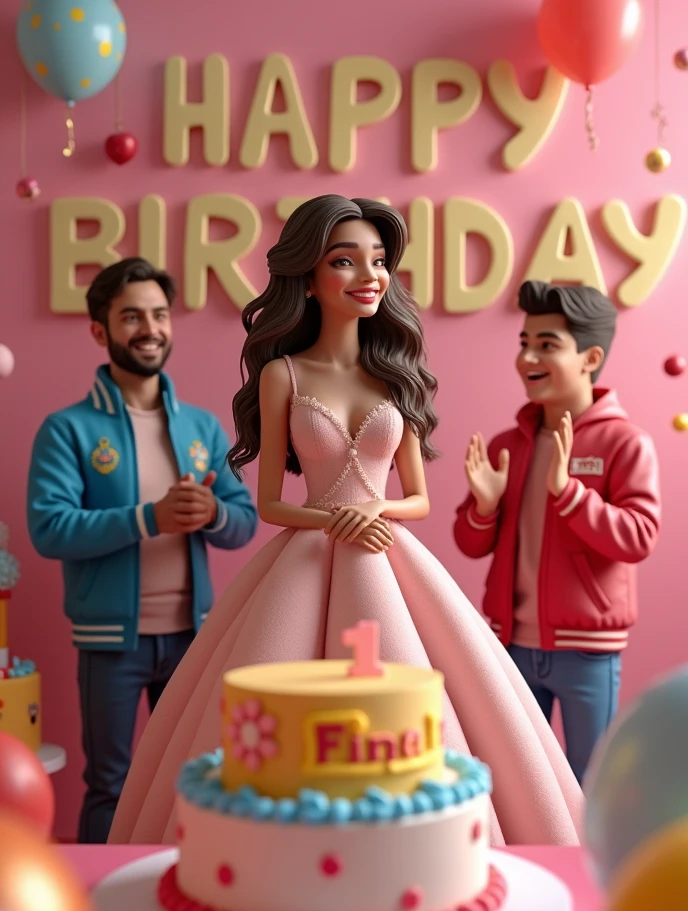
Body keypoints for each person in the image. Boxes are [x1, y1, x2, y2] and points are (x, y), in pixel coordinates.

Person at [108, 197, 583, 847]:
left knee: (428, 714)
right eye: (345, 260)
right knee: (265, 716)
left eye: (380, 261)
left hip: (391, 558)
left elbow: (416, 497)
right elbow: (271, 501)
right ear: (308, 278)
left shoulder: (395, 378)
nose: (369, 275)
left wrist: (375, 511)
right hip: (301, 563)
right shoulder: (282, 376)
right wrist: (334, 520)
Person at [27, 257, 258, 843]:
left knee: (192, 780)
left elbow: (244, 524)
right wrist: (147, 517)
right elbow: (49, 528)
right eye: (132, 316)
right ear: (100, 331)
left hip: (191, 636)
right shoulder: (68, 429)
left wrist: (212, 514)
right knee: (111, 782)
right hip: (110, 642)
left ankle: (186, 897)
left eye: (158, 314)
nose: (149, 328)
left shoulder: (202, 428)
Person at [454, 280, 661, 784]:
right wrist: (484, 505)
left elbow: (638, 536)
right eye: (525, 343)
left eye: (547, 345)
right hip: (512, 645)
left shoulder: (624, 443)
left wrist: (569, 493)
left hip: (587, 647)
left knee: (590, 776)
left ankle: (588, 864)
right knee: (520, 776)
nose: (528, 357)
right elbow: (471, 542)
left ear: (590, 358)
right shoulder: (508, 444)